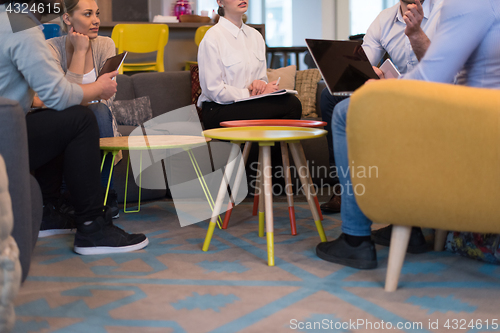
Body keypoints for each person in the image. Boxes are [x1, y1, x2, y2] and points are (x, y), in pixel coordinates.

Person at [316, 0, 500, 269]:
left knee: (348, 112)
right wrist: (368, 73)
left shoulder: (463, 5)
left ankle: (355, 237)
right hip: (476, 113)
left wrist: (388, 87)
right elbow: (364, 58)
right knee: (337, 100)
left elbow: (436, 76)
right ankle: (402, 218)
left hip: (470, 118)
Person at [0, 0, 149, 254]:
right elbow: (57, 95)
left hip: (10, 126)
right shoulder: (21, 26)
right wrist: (97, 88)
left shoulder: (9, 19)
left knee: (63, 119)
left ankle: (49, 211)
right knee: (80, 118)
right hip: (5, 134)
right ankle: (92, 226)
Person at [319, 0, 443, 215]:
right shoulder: (384, 20)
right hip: (395, 94)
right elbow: (363, 61)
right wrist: (367, 71)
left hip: (434, 93)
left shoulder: (445, 11)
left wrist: (415, 35)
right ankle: (342, 187)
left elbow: (441, 70)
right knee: (330, 97)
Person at [34, 0, 121, 220]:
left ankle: (99, 196)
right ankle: (69, 197)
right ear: (67, 18)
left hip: (100, 121)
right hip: (66, 123)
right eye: (88, 14)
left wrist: (84, 98)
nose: (96, 20)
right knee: (79, 114)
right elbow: (62, 100)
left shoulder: (105, 44)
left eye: (97, 14)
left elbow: (108, 97)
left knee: (99, 111)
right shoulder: (51, 48)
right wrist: (80, 52)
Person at [198, 0, 302, 130]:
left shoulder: (256, 36)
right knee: (291, 105)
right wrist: (248, 93)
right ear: (220, 2)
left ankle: (258, 150)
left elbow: (262, 79)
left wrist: (261, 85)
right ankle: (263, 149)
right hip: (218, 109)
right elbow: (213, 90)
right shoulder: (212, 38)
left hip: (250, 103)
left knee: (291, 103)